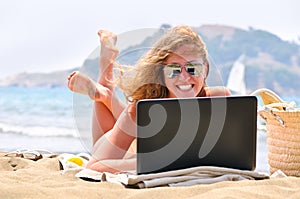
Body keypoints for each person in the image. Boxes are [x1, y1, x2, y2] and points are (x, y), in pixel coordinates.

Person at [67, 25, 231, 173]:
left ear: (206, 70)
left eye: (193, 68)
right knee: (107, 140)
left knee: (141, 123)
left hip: (139, 128)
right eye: (174, 70)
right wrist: (145, 162)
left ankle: (106, 95)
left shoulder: (220, 100)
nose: (184, 77)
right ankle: (106, 70)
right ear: (161, 74)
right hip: (128, 152)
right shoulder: (139, 110)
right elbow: (93, 167)